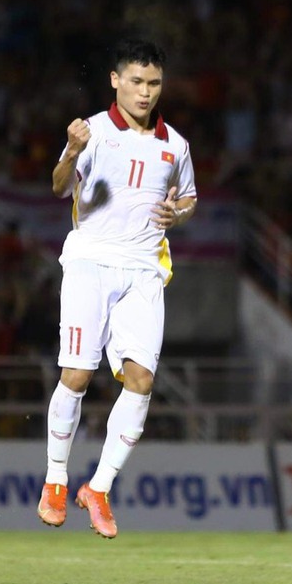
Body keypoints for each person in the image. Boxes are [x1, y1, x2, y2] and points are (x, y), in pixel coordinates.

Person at [37, 38, 197, 538]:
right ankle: (56, 480)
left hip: (145, 270)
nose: (145, 93)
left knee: (143, 382)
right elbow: (60, 186)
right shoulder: (93, 131)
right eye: (136, 82)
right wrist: (71, 152)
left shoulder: (177, 145)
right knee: (78, 375)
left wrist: (179, 213)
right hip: (91, 262)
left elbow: (189, 198)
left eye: (153, 84)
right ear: (115, 79)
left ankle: (99, 488)